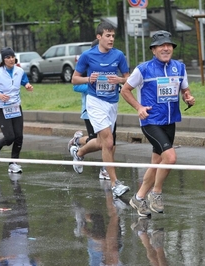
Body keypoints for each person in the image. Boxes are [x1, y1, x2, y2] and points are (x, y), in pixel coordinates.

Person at [120, 30, 195, 216]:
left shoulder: (179, 67)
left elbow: (185, 90)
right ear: (153, 50)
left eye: (169, 45)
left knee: (156, 163)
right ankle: (157, 193)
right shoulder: (143, 69)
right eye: (161, 46)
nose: (166, 48)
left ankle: (138, 198)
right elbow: (125, 90)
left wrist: (188, 98)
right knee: (170, 158)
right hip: (151, 121)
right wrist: (139, 107)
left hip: (170, 121)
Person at [71, 21, 130, 197]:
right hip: (95, 102)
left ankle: (79, 151)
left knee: (103, 142)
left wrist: (118, 80)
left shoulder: (119, 55)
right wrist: (89, 79)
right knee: (109, 143)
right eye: (107, 35)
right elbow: (74, 79)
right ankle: (114, 184)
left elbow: (128, 78)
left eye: (113, 36)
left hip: (112, 102)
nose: (111, 39)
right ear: (99, 37)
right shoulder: (87, 56)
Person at [68, 39, 117, 180]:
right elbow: (75, 85)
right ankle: (78, 146)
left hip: (108, 106)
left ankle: (105, 169)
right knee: (96, 140)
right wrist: (92, 85)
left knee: (111, 141)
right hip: (90, 109)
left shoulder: (110, 64)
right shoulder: (87, 64)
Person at [0, 47, 34, 173]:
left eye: (12, 57)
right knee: (10, 137)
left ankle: (13, 163)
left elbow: (24, 81)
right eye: (8, 57)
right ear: (3, 60)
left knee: (19, 136)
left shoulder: (19, 71)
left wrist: (27, 85)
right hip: (2, 108)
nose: (11, 59)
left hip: (15, 107)